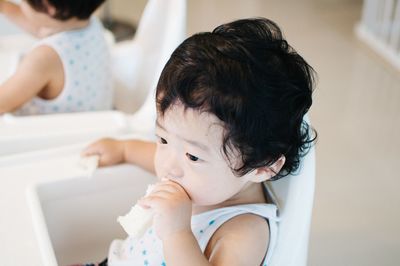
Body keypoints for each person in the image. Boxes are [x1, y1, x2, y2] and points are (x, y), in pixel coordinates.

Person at [82, 17, 317, 266]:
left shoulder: (244, 232)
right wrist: (124, 150)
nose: (167, 166)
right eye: (163, 139)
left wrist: (177, 233)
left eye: (193, 156)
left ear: (262, 167)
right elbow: (169, 156)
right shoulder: (196, 176)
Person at [0, 0, 112, 115]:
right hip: (94, 121)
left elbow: (2, 104)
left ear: (49, 7)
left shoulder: (44, 58)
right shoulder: (90, 23)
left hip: (50, 130)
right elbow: (41, 29)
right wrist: (3, 6)